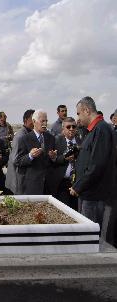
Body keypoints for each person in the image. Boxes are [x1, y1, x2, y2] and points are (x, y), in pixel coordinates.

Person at [70, 97, 116, 233]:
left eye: (78, 113)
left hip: (94, 195)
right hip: (88, 193)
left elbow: (97, 165)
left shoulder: (101, 130)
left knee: (90, 235)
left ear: (86, 110)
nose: (77, 118)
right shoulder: (93, 130)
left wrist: (78, 186)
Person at [15, 110, 57, 195]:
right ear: (34, 121)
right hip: (32, 186)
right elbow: (18, 161)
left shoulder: (51, 138)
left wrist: (53, 158)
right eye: (42, 121)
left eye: (46, 121)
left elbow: (53, 161)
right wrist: (30, 156)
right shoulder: (24, 139)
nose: (45, 124)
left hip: (49, 185)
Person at [48, 117, 81, 210]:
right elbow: (52, 160)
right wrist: (62, 158)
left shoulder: (81, 142)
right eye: (68, 127)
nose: (71, 129)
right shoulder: (56, 141)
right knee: (64, 210)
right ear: (63, 128)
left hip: (77, 184)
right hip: (61, 183)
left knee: (76, 211)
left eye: (74, 126)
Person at [5, 109, 35, 195]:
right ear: (26, 120)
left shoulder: (28, 133)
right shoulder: (20, 136)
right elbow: (15, 160)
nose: (34, 122)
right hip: (18, 180)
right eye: (33, 120)